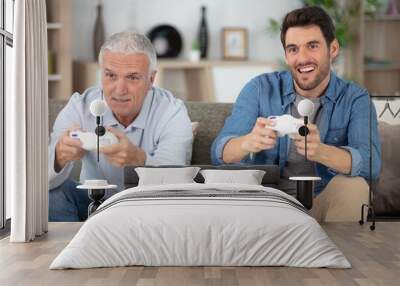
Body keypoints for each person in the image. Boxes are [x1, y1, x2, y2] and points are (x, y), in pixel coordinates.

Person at [211, 6, 381, 222]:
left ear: (333, 48)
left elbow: (371, 164)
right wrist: (248, 142)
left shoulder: (355, 98)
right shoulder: (260, 89)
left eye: (312, 46)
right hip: (268, 205)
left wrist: (322, 152)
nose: (302, 58)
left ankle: (337, 254)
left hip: (323, 204)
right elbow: (219, 152)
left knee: (354, 187)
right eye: (293, 49)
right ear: (286, 55)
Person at [49, 32, 193, 221]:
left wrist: (138, 159)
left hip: (148, 209)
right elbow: (34, 183)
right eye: (111, 75)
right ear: (101, 74)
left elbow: (174, 183)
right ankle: (71, 250)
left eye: (132, 77)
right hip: (92, 204)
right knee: (51, 195)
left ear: (151, 79)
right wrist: (58, 158)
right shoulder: (80, 106)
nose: (119, 89)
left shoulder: (171, 111)